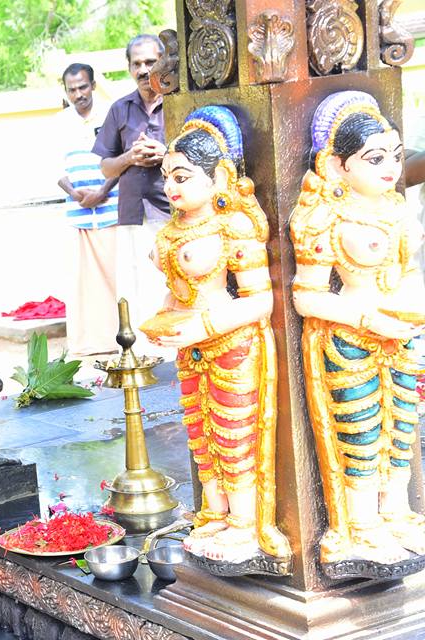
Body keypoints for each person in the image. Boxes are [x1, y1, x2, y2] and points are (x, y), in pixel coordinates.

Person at [142, 106, 290, 567]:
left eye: (182, 177)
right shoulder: (172, 230)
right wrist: (164, 319)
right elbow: (178, 290)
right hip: (191, 347)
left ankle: (245, 523)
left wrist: (202, 325)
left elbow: (260, 300)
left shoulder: (235, 226)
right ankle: (215, 514)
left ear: (218, 177)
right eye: (167, 177)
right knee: (200, 435)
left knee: (234, 436)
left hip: (233, 345)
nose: (171, 187)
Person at [291, 91, 425, 569]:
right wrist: (368, 318)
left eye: (393, 156)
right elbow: (305, 296)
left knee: (403, 431)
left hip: (403, 334)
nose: (390, 167)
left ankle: (397, 511)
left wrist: (410, 310)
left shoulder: (397, 209)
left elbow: (409, 273)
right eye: (374, 159)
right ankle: (362, 526)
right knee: (362, 436)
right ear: (338, 166)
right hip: (351, 339)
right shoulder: (324, 217)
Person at [92, 34, 170, 345]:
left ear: (162, 63)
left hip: (174, 209)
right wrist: (129, 157)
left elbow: (202, 155)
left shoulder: (179, 101)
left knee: (173, 280)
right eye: (136, 63)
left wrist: (165, 153)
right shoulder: (120, 109)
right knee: (137, 284)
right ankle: (145, 354)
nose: (143, 69)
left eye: (150, 62)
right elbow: (105, 167)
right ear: (128, 68)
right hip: (133, 212)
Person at [55, 62, 120, 356]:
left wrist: (102, 192)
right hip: (77, 213)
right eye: (72, 89)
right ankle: (88, 343)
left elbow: (121, 160)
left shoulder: (112, 113)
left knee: (114, 276)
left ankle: (122, 339)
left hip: (111, 211)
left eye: (83, 87)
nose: (78, 94)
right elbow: (54, 167)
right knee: (83, 284)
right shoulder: (59, 122)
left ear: (93, 85)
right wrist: (75, 193)